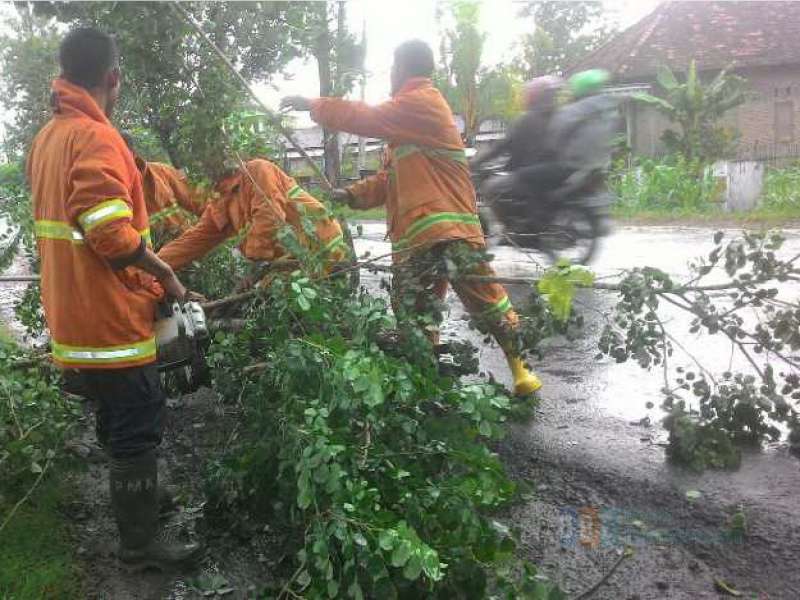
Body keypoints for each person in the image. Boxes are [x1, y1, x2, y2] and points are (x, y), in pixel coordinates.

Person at [26, 28, 200, 570]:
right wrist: (165, 274)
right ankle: (139, 546)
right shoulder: (96, 138)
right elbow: (110, 235)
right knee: (139, 418)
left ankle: (142, 502)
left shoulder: (47, 138)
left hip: (73, 319)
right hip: (109, 322)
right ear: (113, 79)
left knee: (117, 418)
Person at [281, 39, 542, 396]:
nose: (390, 74)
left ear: (403, 68)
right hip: (426, 237)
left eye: (392, 67)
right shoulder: (407, 122)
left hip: (445, 231)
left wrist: (314, 105)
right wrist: (352, 194)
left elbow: (364, 116)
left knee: (480, 297)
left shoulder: (421, 103)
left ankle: (521, 368)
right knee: (418, 310)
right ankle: (428, 377)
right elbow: (388, 180)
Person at [158, 158, 348, 276]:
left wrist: (255, 265)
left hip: (322, 247)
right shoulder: (220, 202)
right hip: (290, 259)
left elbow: (269, 216)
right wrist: (151, 265)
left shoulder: (258, 171)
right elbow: (193, 241)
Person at [121, 133, 207, 244]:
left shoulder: (161, 172)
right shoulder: (112, 195)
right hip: (154, 258)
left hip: (190, 245)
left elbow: (199, 202)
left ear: (132, 153)